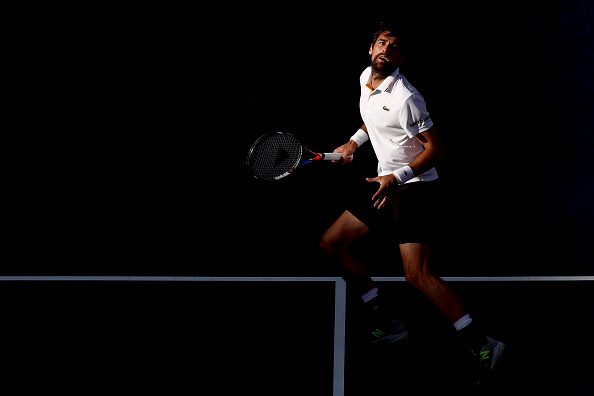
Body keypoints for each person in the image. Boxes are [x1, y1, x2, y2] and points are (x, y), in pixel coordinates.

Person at [319, 21, 504, 383]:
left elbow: (437, 149)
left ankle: (482, 343)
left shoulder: (406, 96)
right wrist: (353, 144)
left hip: (414, 188)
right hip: (383, 183)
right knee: (332, 243)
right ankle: (385, 319)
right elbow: (371, 121)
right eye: (381, 43)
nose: (386, 49)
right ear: (370, 49)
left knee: (416, 275)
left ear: (401, 57)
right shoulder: (365, 79)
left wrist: (396, 177)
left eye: (394, 46)